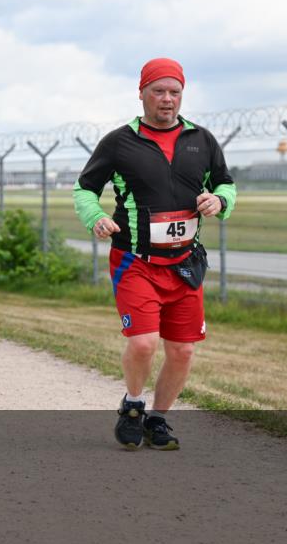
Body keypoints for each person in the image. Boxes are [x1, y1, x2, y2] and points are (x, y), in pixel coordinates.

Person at [72, 57, 237, 451]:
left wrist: (219, 200)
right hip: (135, 262)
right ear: (142, 93)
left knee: (182, 350)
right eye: (159, 91)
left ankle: (157, 419)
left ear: (183, 95)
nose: (167, 100)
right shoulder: (118, 142)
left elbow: (226, 184)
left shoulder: (202, 139)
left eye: (175, 92)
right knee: (144, 343)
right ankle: (132, 406)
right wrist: (94, 216)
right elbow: (84, 189)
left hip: (185, 264)